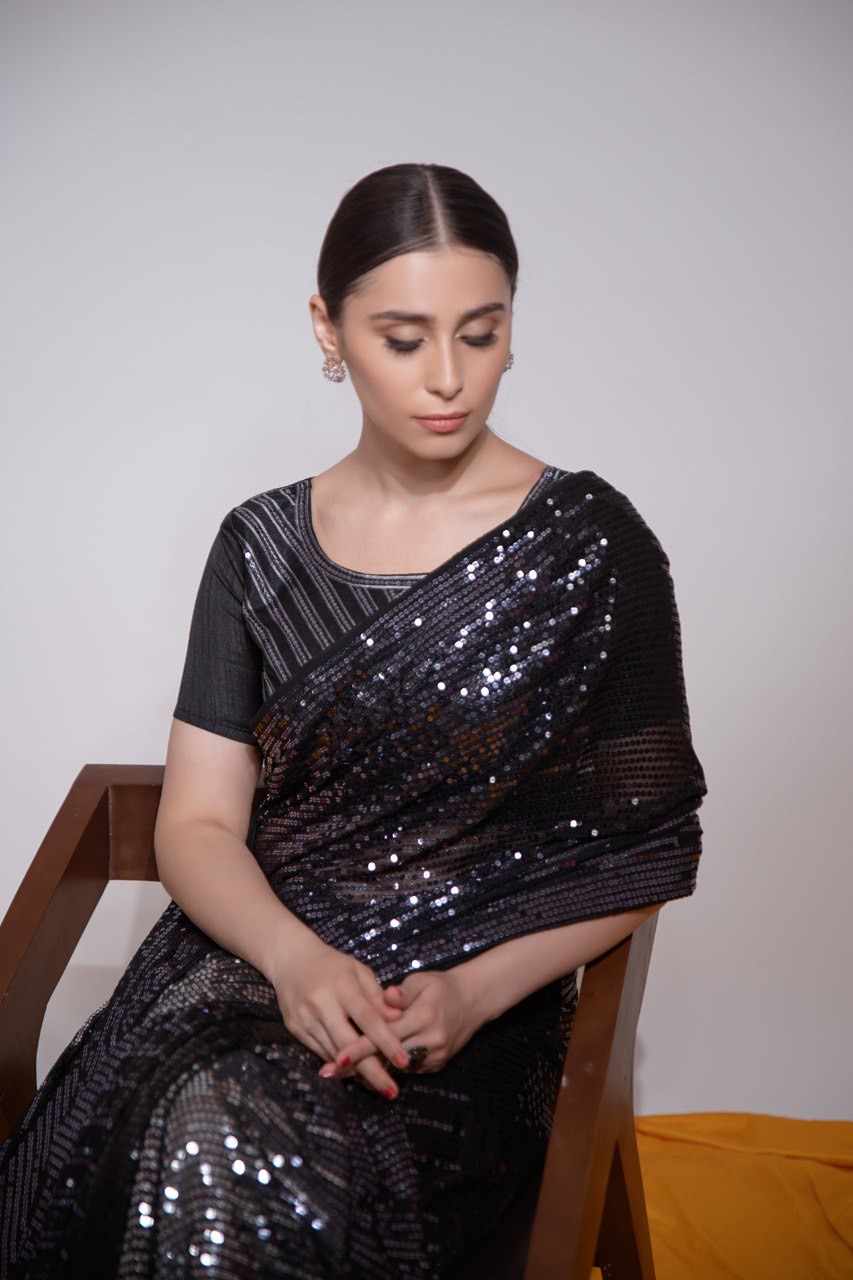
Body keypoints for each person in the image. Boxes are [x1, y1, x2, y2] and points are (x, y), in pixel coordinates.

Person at [0, 162, 708, 1279]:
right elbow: (197, 824)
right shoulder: (259, 548)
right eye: (403, 338)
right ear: (327, 329)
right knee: (188, 1116)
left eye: (480, 333)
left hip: (468, 1010)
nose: (448, 378)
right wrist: (295, 961)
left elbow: (648, 846)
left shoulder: (590, 546)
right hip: (254, 966)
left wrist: (472, 992)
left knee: (234, 1142)